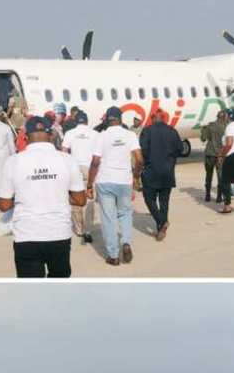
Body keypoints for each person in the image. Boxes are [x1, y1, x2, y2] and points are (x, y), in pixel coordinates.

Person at [0, 116, 86, 277]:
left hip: (27, 234)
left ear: (25, 136)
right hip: (59, 233)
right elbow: (80, 200)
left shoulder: (13, 162)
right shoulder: (67, 160)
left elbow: (3, 205)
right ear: (51, 134)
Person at [88, 106, 142, 266]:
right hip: (124, 180)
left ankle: (113, 255)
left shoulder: (101, 136)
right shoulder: (130, 135)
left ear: (107, 119)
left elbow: (95, 162)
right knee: (125, 213)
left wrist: (90, 184)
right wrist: (136, 176)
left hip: (105, 180)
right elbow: (139, 159)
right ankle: (125, 242)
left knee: (108, 218)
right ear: (120, 118)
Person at [138, 109, 182, 241]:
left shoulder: (147, 131)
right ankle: (161, 226)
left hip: (151, 170)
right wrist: (170, 157)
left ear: (152, 119)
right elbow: (180, 149)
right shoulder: (172, 131)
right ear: (163, 118)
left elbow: (143, 150)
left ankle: (161, 222)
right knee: (164, 201)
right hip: (168, 171)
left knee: (149, 199)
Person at [61, 110, 98, 244]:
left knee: (76, 199)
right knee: (90, 199)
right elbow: (99, 154)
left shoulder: (70, 133)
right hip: (90, 168)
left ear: (76, 122)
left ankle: (79, 228)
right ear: (87, 122)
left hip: (74, 168)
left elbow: (64, 151)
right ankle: (88, 230)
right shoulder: (95, 134)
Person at [200, 110, 227, 202]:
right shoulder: (226, 127)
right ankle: (219, 197)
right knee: (220, 176)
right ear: (224, 118)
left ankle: (207, 195)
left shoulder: (210, 126)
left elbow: (203, 139)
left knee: (208, 175)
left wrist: (203, 130)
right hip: (220, 154)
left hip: (209, 153)